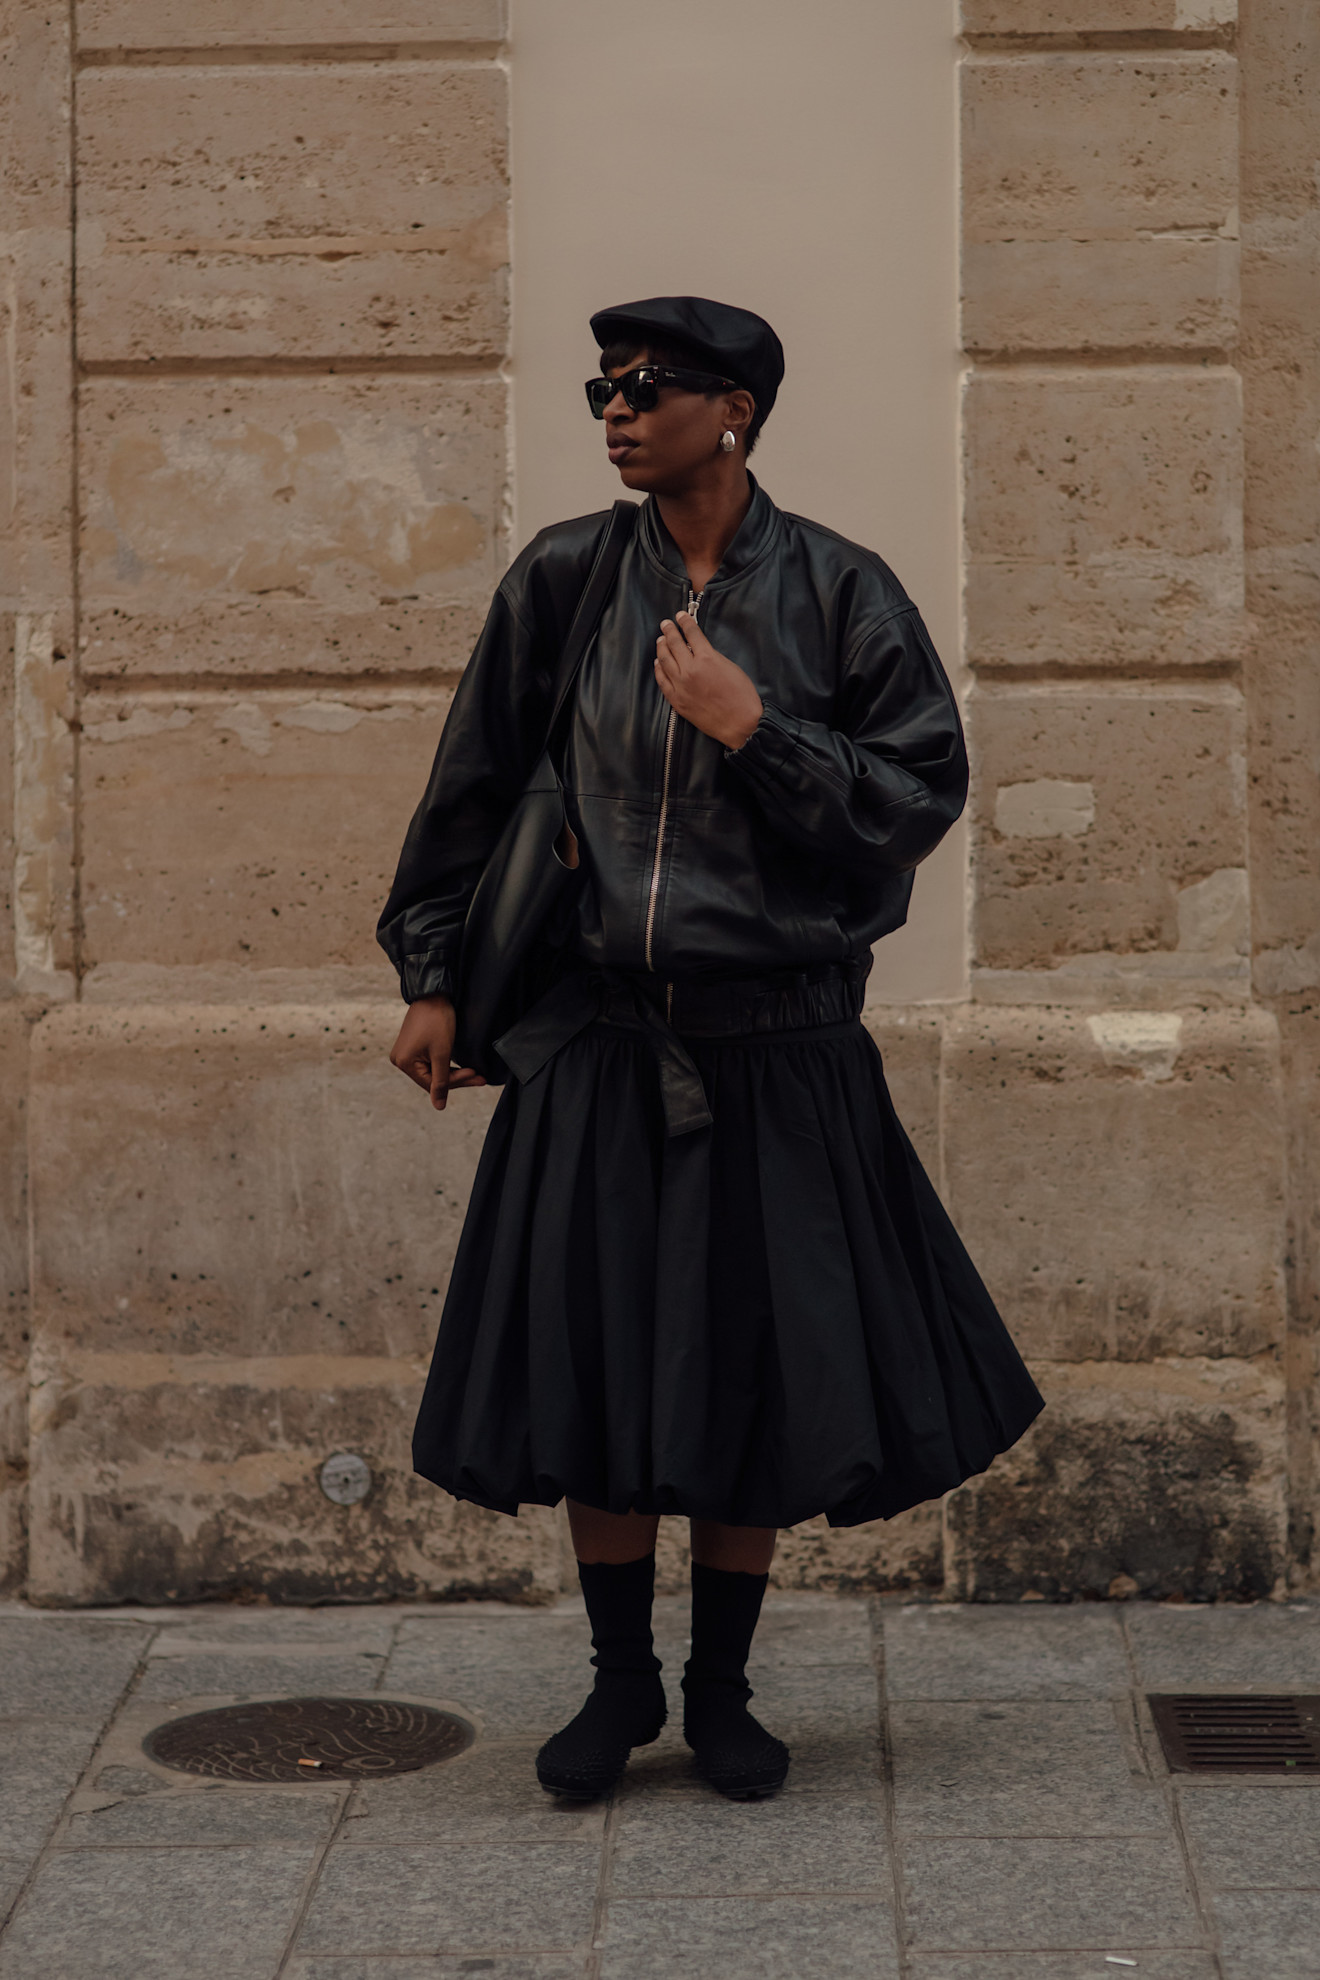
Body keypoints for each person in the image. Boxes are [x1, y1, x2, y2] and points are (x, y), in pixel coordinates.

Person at [379, 295, 1043, 1804]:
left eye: (648, 387)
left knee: (745, 1369)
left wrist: (755, 728)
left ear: (733, 411)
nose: (615, 410)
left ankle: (723, 1692)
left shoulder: (840, 593)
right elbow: (470, 792)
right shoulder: (561, 581)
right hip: (603, 1049)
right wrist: (433, 976)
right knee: (608, 1370)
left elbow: (916, 802)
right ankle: (620, 1688)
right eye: (602, 389)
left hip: (782, 1049)